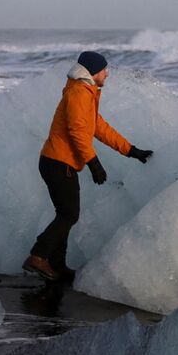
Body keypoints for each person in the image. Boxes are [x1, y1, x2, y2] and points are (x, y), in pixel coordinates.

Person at [24, 51, 153, 284]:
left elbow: (98, 127)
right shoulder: (78, 93)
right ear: (94, 72)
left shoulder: (87, 93)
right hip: (58, 162)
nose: (107, 73)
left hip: (59, 163)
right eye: (105, 69)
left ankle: (56, 265)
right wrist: (94, 163)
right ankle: (38, 256)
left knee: (65, 214)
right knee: (69, 214)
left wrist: (131, 150)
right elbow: (76, 131)